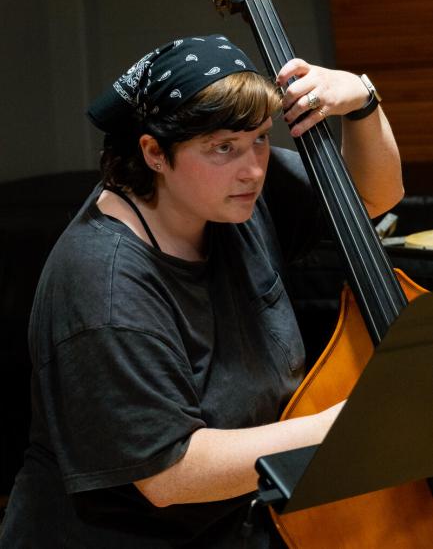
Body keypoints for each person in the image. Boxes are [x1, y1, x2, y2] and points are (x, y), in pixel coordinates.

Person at [0, 34, 403, 548]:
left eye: (260, 137)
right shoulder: (103, 285)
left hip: (236, 520)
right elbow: (170, 473)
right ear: (154, 153)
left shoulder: (233, 191)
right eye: (223, 148)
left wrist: (361, 102)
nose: (253, 167)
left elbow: (372, 196)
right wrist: (352, 422)